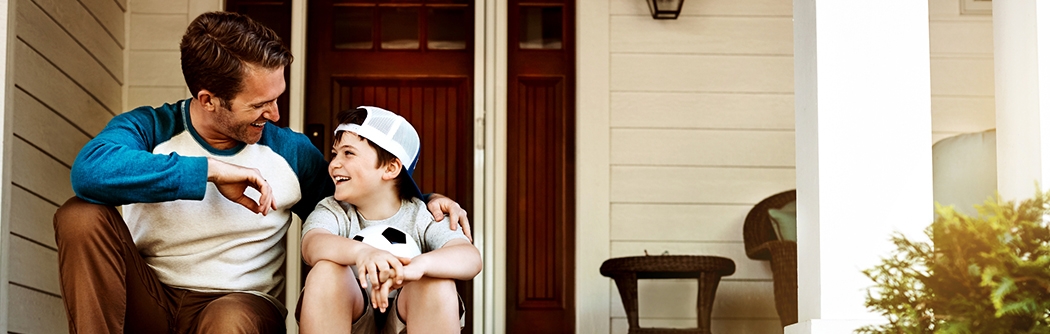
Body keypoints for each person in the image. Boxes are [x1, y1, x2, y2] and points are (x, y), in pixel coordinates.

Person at [52, 11, 470, 334]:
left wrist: (425, 198)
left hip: (240, 305)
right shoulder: (149, 128)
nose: (275, 114)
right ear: (209, 99)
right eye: (259, 105)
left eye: (277, 97)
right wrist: (211, 172)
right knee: (80, 215)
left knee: (230, 320)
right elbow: (90, 172)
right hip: (150, 297)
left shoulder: (291, 152)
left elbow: (362, 194)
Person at [297, 106, 482, 334]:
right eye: (335, 154)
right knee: (325, 271)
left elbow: (470, 257)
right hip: (352, 319)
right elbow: (312, 244)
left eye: (348, 153)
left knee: (437, 280)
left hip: (408, 319)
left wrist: (418, 266)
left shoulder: (423, 215)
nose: (334, 163)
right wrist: (363, 253)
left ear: (391, 167)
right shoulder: (334, 210)